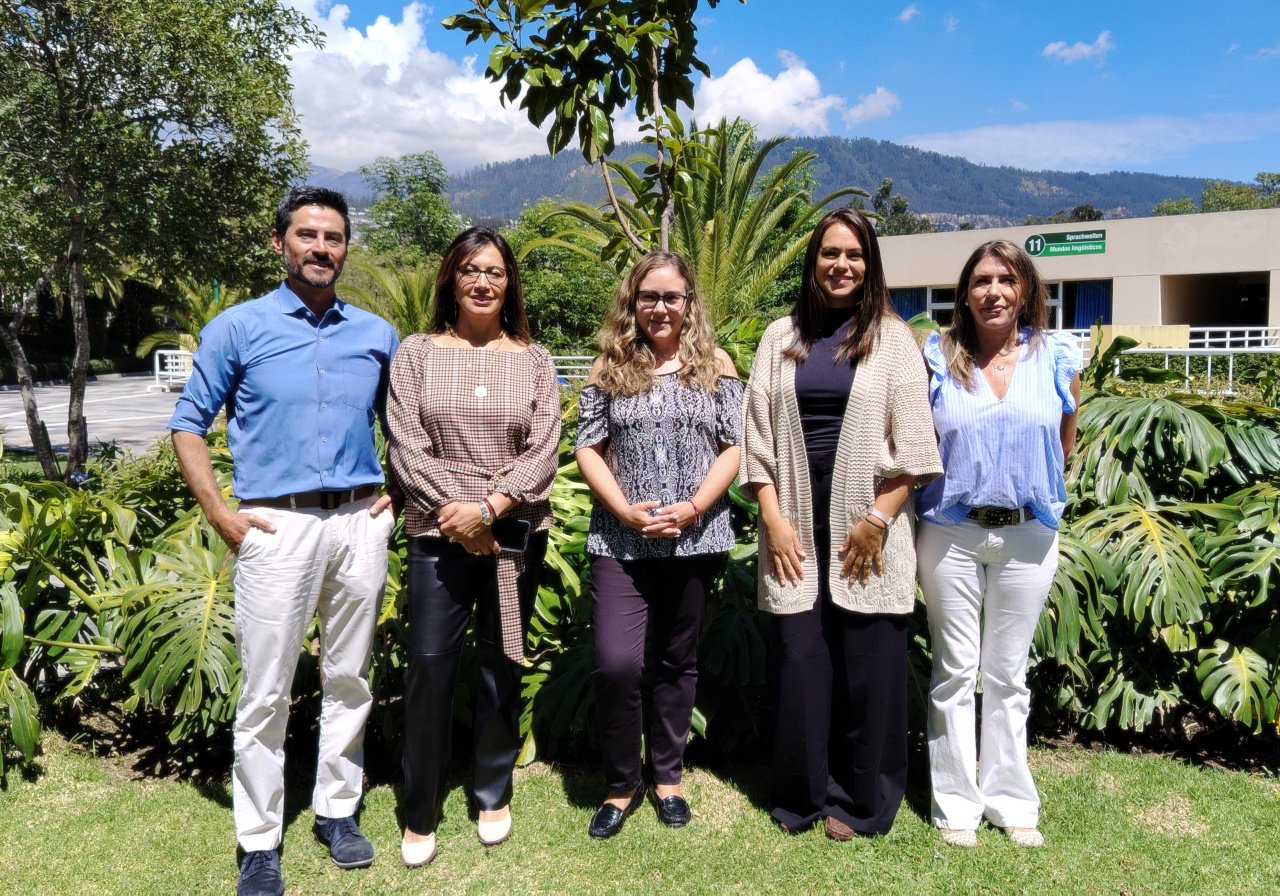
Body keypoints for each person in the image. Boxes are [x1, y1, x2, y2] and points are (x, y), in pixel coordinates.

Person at [168, 186, 399, 896]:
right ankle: (260, 840)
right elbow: (188, 424)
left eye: (333, 237)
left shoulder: (375, 333)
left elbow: (406, 422)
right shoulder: (238, 328)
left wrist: (399, 492)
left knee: (350, 678)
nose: (321, 248)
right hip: (275, 525)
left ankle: (336, 811)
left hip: (359, 522)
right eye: (307, 235)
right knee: (266, 691)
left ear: (345, 247)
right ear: (280, 244)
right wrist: (221, 515)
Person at [739, 207, 942, 840]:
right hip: (796, 521)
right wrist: (771, 519)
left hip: (868, 528)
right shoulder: (780, 337)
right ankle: (804, 795)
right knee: (802, 661)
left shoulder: (892, 340)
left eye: (854, 255)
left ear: (870, 264)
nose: (841, 265)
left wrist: (877, 520)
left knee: (870, 669)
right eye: (830, 253)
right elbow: (756, 437)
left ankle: (862, 802)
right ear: (813, 261)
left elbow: (916, 447)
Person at [387, 227, 561, 868]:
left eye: (494, 271)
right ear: (451, 281)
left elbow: (544, 447)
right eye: (470, 270)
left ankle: (492, 793)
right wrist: (459, 516)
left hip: (513, 535)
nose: (483, 282)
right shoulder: (416, 354)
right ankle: (420, 808)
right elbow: (405, 445)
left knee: (500, 663)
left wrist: (490, 508)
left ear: (509, 281)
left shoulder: (535, 359)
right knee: (431, 667)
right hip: (437, 536)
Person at [916, 240, 1081, 849]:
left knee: (1008, 675)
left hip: (1029, 533)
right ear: (965, 293)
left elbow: (1063, 443)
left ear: (1025, 289)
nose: (993, 291)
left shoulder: (1057, 356)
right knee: (955, 671)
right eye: (981, 280)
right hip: (951, 531)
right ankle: (956, 803)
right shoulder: (939, 357)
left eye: (1005, 280)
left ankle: (1010, 801)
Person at [574, 252, 742, 839]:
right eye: (650, 296)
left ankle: (667, 777)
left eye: (673, 297)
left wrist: (694, 506)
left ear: (690, 303)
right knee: (618, 665)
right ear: (633, 302)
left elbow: (734, 446)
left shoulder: (716, 366)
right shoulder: (608, 366)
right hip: (622, 541)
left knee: (677, 660)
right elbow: (587, 446)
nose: (661, 307)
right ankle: (622, 784)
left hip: (695, 539)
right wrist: (624, 508)